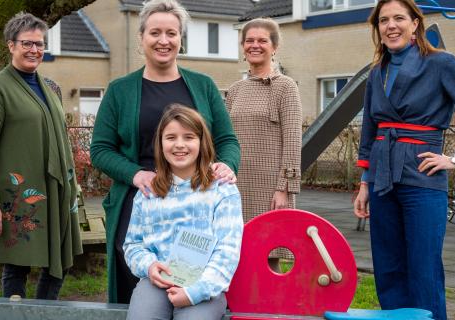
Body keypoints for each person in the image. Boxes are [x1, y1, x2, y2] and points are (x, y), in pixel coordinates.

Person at [353, 1, 455, 319]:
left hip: (422, 175)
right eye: (383, 20)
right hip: (381, 176)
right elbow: (369, 130)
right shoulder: (376, 71)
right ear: (377, 28)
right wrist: (364, 183)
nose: (390, 25)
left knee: (423, 265)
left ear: (415, 24)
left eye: (398, 18)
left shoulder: (441, 64)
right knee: (388, 264)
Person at [90, 0, 240, 303]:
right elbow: (101, 150)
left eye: (171, 33)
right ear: (141, 38)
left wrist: (226, 165)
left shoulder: (204, 86)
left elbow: (227, 141)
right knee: (140, 284)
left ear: (180, 39)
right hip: (141, 198)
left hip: (197, 197)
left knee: (192, 278)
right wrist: (136, 174)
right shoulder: (120, 91)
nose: (163, 40)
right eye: (155, 32)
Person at [0, 12, 82, 299]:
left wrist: (72, 184)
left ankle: (41, 312)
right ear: (11, 45)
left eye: (40, 44)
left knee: (60, 261)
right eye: (27, 43)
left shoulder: (50, 88)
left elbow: (60, 137)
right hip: (20, 193)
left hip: (56, 189)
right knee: (16, 264)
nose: (35, 50)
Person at [123, 105, 243, 320]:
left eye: (188, 137)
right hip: (157, 283)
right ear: (160, 143)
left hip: (204, 285)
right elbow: (133, 245)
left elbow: (228, 251)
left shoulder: (222, 189)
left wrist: (194, 291)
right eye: (171, 137)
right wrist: (149, 266)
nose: (179, 145)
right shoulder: (147, 193)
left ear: (201, 142)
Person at [226, 18, 302, 268]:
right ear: (242, 45)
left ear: (274, 47)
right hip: (235, 186)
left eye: (262, 40)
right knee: (236, 254)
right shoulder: (235, 90)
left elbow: (292, 140)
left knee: (268, 256)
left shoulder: (286, 87)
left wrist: (284, 188)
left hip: (271, 189)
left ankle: (270, 308)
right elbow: (224, 138)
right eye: (249, 40)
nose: (254, 45)